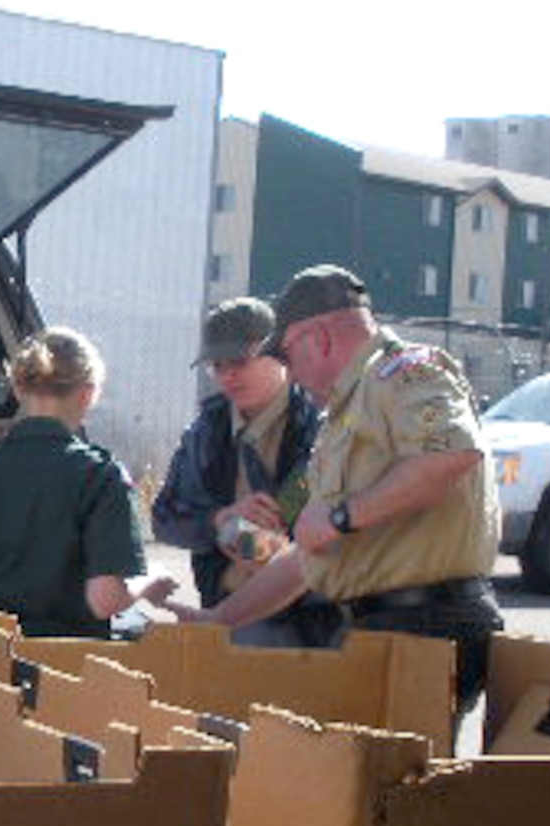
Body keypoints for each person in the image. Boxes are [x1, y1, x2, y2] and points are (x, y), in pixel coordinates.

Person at [163, 265, 503, 709]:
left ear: (318, 339)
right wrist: (220, 619)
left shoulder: (404, 372)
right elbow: (309, 554)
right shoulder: (344, 412)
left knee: (390, 772)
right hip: (380, 627)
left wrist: (343, 517)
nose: (292, 373)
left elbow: (450, 456)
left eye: (286, 355)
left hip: (426, 623)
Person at [0, 326, 174, 638]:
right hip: (69, 668)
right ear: (88, 394)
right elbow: (105, 600)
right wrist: (153, 578)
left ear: (18, 389)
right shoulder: (99, 476)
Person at [152, 297, 337, 648]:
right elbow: (165, 519)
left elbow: (309, 530)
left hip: (310, 629)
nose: (227, 375)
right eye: (216, 365)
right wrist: (219, 520)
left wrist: (257, 541)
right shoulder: (205, 432)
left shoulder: (323, 427)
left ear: (280, 353)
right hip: (223, 621)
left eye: (238, 360)